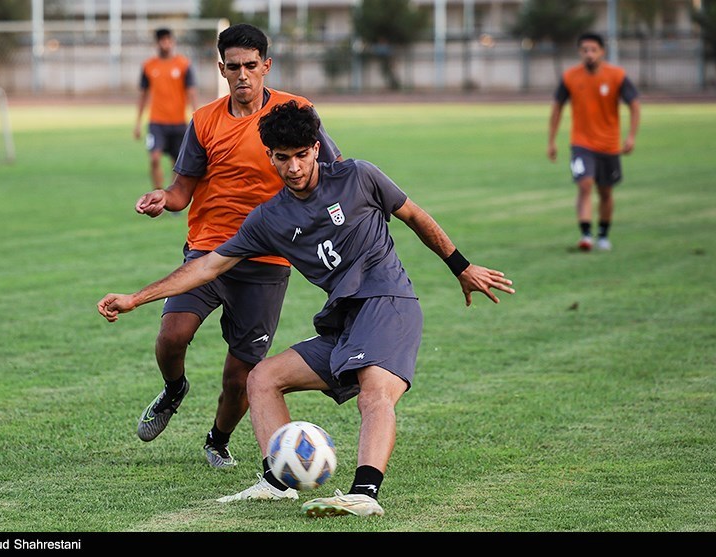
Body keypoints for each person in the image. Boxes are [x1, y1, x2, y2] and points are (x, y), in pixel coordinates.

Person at [98, 100, 515, 517]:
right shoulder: (270, 218)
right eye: (283, 158)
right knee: (262, 377)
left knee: (374, 394)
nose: (294, 167)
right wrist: (136, 298)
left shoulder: (358, 176)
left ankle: (365, 494)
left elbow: (414, 215)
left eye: (301, 155)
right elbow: (209, 264)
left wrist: (461, 267)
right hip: (343, 321)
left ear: (316, 148)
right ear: (271, 158)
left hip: (389, 304)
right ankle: (277, 482)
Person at [130, 24, 341, 469]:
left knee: (239, 374)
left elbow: (332, 171)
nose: (243, 75)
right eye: (233, 67)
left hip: (267, 259)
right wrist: (161, 199)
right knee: (172, 335)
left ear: (266, 65)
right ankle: (174, 389)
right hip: (208, 250)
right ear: (220, 68)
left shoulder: (294, 112)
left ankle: (217, 439)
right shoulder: (205, 120)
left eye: (251, 65)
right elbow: (181, 189)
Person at [547, 31, 640, 252]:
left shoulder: (616, 75)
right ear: (580, 52)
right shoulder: (570, 77)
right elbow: (557, 107)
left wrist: (631, 136)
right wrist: (551, 141)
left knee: (605, 192)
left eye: (593, 50)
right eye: (585, 50)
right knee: (585, 184)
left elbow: (634, 105)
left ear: (602, 51)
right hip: (581, 143)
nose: (589, 54)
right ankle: (586, 234)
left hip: (609, 145)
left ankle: (604, 234)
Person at [134, 28, 198, 190]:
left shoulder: (183, 65)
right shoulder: (149, 66)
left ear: (173, 42)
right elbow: (143, 95)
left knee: (177, 163)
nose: (166, 44)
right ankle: (157, 193)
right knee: (154, 158)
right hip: (156, 122)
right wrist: (138, 123)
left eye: (169, 40)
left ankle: (173, 195)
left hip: (178, 123)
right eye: (163, 40)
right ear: (157, 43)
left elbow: (191, 93)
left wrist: (196, 117)